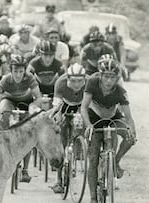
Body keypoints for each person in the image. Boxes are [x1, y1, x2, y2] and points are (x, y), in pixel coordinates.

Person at [81, 58, 136, 203]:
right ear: (100, 75)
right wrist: (88, 125)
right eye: (106, 76)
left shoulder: (120, 91)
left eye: (112, 77)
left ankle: (115, 161)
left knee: (131, 138)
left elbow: (129, 117)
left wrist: (131, 129)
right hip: (94, 118)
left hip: (113, 118)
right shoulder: (92, 82)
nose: (108, 81)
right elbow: (84, 107)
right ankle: (93, 197)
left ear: (117, 78)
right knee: (93, 159)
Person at [0, 54, 42, 182]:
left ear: (25, 70)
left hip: (26, 101)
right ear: (10, 70)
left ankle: (25, 170)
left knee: (28, 132)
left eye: (21, 71)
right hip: (9, 100)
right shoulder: (5, 80)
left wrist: (33, 106)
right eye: (15, 71)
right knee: (4, 114)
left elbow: (39, 98)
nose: (18, 75)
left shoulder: (29, 78)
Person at [50, 63, 87, 193]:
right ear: (68, 79)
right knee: (62, 139)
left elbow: (90, 105)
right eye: (73, 81)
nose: (77, 84)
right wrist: (59, 117)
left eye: (79, 81)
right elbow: (56, 105)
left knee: (82, 123)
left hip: (81, 105)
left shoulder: (88, 83)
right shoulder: (60, 82)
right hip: (64, 105)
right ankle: (59, 180)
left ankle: (79, 147)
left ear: (84, 79)